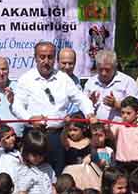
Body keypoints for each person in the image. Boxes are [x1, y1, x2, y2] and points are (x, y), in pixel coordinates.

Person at [12, 41, 96, 174]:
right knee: (31, 177)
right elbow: (17, 106)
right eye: (42, 57)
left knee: (58, 176)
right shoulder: (25, 79)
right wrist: (29, 118)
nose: (46, 61)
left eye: (50, 57)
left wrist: (90, 113)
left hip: (57, 137)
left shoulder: (63, 79)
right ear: (35, 58)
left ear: (55, 59)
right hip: (34, 137)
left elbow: (81, 99)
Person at [83, 50, 138, 121]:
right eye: (100, 69)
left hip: (121, 129)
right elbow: (83, 107)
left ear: (115, 66)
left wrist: (117, 105)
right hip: (96, 129)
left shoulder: (127, 82)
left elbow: (137, 108)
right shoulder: (91, 82)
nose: (103, 73)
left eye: (107, 70)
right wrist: (90, 103)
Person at [58, 47, 84, 116]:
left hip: (73, 123)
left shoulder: (77, 82)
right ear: (57, 62)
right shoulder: (50, 82)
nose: (67, 67)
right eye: (64, 63)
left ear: (75, 63)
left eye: (70, 63)